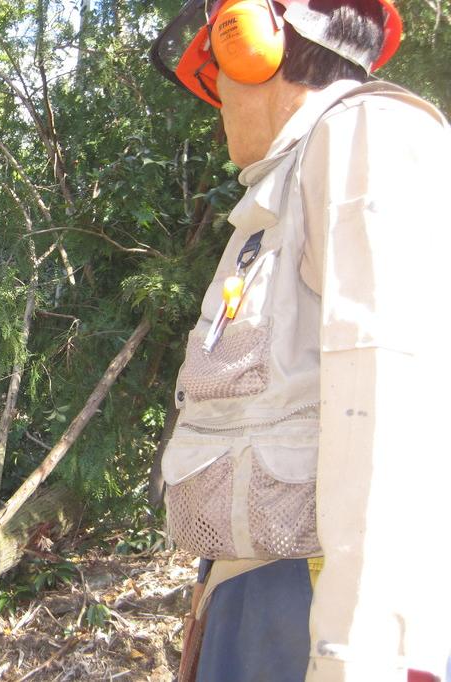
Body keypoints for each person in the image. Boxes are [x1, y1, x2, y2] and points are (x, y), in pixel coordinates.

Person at [150, 1, 451, 680]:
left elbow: (391, 401)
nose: (219, 100)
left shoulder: (365, 140)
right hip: (263, 595)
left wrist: (360, 654)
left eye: (216, 73)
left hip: (314, 605)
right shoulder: (283, 194)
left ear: (250, 46)